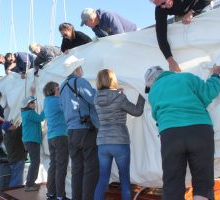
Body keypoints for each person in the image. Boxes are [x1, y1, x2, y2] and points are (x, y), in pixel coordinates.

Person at [145, 64, 220, 200]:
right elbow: (209, 92)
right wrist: (215, 75)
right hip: (199, 130)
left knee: (172, 183)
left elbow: (156, 115)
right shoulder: (187, 77)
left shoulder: (153, 91)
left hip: (171, 135)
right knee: (203, 182)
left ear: (151, 83)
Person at [93, 69, 145, 200]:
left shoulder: (95, 98)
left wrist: (118, 93)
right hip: (119, 141)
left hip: (103, 142)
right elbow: (137, 111)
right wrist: (142, 94)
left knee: (103, 179)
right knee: (125, 179)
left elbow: (108, 99)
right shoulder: (119, 97)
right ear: (112, 80)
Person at [60, 55, 99, 200]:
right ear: (76, 69)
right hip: (85, 129)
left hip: (71, 130)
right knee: (91, 167)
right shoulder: (80, 81)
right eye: (80, 66)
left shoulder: (63, 86)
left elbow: (62, 107)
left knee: (77, 169)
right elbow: (94, 99)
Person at [151, 0, 212, 72]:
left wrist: (191, 12)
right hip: (181, 14)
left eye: (163, 3)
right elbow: (161, 35)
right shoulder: (160, 8)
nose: (162, 7)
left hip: (200, 4)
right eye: (158, 5)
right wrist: (171, 61)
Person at [43, 81, 69, 200]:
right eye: (57, 89)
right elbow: (68, 108)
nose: (59, 91)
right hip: (61, 136)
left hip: (51, 137)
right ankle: (60, 195)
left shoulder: (46, 101)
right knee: (61, 166)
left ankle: (51, 192)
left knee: (53, 165)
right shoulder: (56, 101)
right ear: (52, 91)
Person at [21, 95, 45, 191]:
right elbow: (40, 118)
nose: (33, 104)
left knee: (35, 162)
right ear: (27, 105)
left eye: (33, 102)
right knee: (35, 162)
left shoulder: (27, 112)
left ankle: (31, 183)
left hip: (31, 140)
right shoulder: (30, 113)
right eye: (31, 103)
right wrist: (46, 108)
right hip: (32, 140)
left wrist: (32, 92)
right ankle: (29, 184)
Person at [2, 121, 27, 187]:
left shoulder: (5, 136)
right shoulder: (14, 134)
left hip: (12, 160)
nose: (13, 125)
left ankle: (10, 194)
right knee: (17, 181)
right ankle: (14, 195)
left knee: (14, 178)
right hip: (18, 160)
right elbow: (23, 125)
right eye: (11, 125)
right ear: (9, 128)